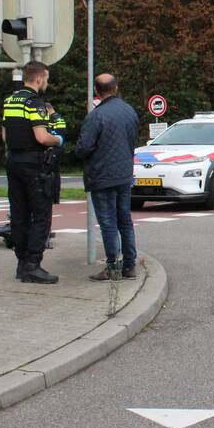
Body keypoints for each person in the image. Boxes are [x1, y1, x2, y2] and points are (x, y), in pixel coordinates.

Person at [2, 60, 63, 284]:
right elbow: (41, 136)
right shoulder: (34, 102)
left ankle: (21, 264)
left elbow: (4, 136)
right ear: (38, 78)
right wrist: (58, 139)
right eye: (46, 78)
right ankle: (33, 265)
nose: (46, 82)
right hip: (33, 164)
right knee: (40, 215)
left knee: (19, 215)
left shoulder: (10, 100)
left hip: (13, 162)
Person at [76, 74, 140, 281]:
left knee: (108, 223)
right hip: (124, 175)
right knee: (125, 221)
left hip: (102, 176)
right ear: (116, 87)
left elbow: (84, 148)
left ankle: (112, 267)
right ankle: (130, 266)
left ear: (97, 90)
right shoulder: (129, 111)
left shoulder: (96, 116)